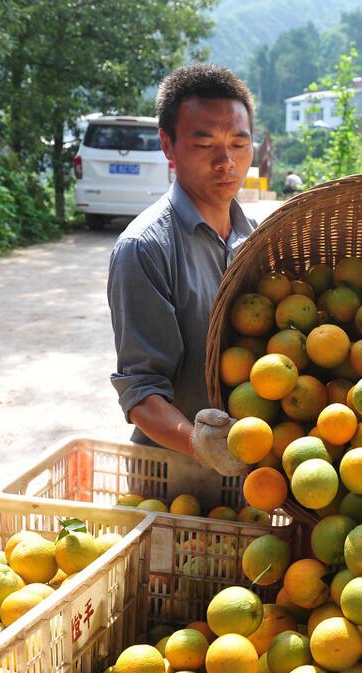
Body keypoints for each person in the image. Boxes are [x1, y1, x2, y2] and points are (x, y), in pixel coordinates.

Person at [107, 64, 257, 476]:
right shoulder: (145, 249)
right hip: (174, 479)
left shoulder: (256, 241)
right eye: (205, 143)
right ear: (168, 145)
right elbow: (140, 391)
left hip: (254, 477)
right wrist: (199, 443)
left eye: (239, 144)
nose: (227, 162)